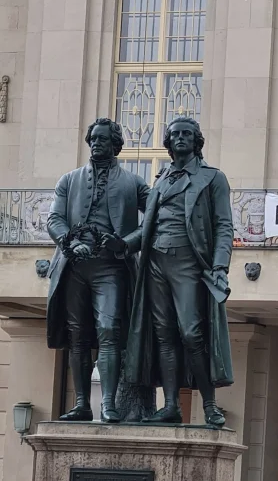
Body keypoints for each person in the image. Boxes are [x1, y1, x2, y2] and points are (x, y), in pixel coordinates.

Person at [125, 116, 234, 426]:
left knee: (191, 332)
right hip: (155, 262)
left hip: (188, 262)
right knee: (164, 334)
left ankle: (210, 404)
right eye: (175, 134)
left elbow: (224, 225)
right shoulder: (161, 179)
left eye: (188, 134)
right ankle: (171, 405)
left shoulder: (212, 178)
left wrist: (220, 265)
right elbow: (148, 226)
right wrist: (121, 246)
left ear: (197, 141)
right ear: (168, 143)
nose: (181, 138)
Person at [47, 118, 150, 422]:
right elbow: (54, 219)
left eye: (104, 139)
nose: (97, 143)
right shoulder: (68, 180)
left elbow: (155, 221)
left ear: (116, 145)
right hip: (74, 265)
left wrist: (125, 244)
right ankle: (82, 403)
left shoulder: (133, 183)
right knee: (78, 335)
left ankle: (108, 403)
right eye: (93, 138)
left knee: (109, 330)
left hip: (111, 267)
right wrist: (69, 241)